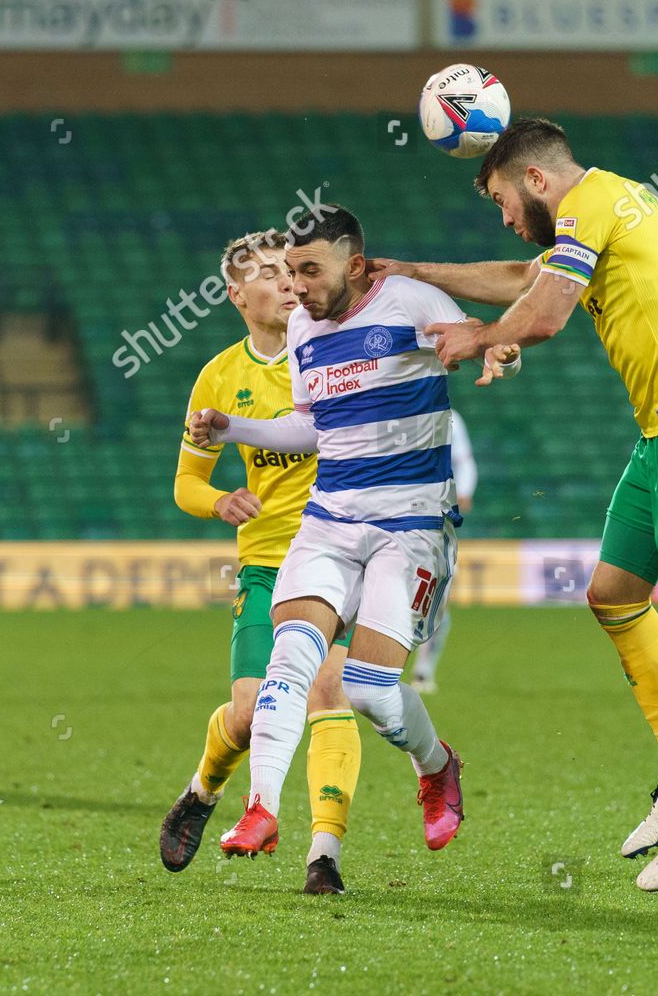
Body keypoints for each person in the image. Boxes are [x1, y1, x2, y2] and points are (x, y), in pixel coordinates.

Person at [370, 117, 658, 893]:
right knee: (613, 595)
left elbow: (544, 311)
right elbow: (529, 284)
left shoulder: (593, 200)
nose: (508, 220)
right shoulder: (605, 208)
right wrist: (410, 270)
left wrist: (482, 339)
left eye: (502, 202)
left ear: (537, 180)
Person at [189, 205, 520, 871]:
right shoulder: (307, 329)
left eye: (310, 271)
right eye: (289, 272)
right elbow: (313, 428)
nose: (296, 288)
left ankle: (437, 765)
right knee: (289, 659)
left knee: (368, 689)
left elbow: (488, 336)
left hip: (411, 523)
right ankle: (261, 811)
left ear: (356, 265)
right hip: (330, 519)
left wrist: (498, 350)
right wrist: (234, 429)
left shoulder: (411, 301)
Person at [158, 228, 362, 895]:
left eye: (292, 271)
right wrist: (219, 501)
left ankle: (323, 857)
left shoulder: (334, 346)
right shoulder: (220, 377)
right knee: (248, 714)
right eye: (269, 273)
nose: (286, 282)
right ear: (235, 293)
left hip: (342, 556)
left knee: (327, 694)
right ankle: (203, 788)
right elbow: (186, 484)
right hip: (267, 566)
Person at [409, 408, 476, 695]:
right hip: (391, 512)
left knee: (438, 598)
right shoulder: (389, 409)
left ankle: (423, 671)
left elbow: (464, 461)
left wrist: (464, 492)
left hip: (435, 515)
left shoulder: (449, 417)